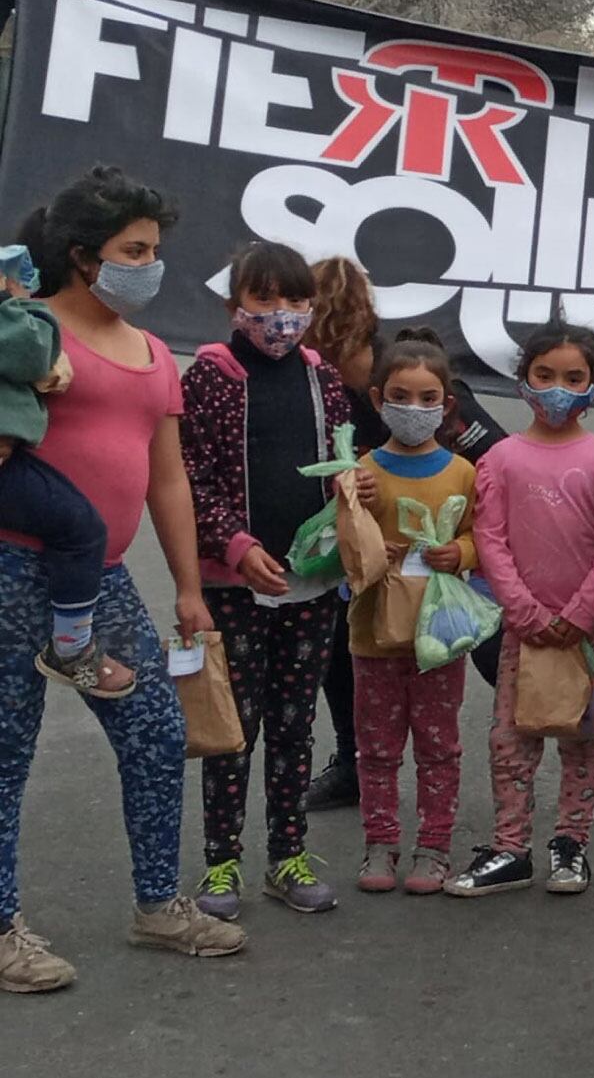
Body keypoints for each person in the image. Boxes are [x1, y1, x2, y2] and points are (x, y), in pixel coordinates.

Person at [0, 166, 246, 996]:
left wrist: (188, 587)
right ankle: (1, 929)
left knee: (152, 733)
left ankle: (157, 904)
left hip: (102, 581)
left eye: (154, 249)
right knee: (5, 752)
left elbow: (167, 479)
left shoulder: (150, 353)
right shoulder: (25, 331)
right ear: (80, 254)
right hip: (11, 567)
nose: (150, 264)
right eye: (132, 250)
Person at [181, 241, 351, 920]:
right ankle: (222, 862)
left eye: (296, 301)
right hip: (233, 584)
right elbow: (191, 477)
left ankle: (288, 853)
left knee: (292, 722)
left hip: (310, 585)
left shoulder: (323, 375)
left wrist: (352, 486)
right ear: (235, 306)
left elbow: (342, 455)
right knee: (232, 727)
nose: (282, 316)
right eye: (265, 301)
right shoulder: (211, 377)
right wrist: (236, 543)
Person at [445, 321, 594, 898]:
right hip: (523, 629)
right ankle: (510, 847)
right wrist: (521, 610)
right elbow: (491, 538)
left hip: (592, 628)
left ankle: (571, 844)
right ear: (523, 380)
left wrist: (581, 610)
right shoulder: (500, 458)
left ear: (593, 385)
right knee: (511, 737)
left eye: (573, 378)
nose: (558, 389)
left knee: (585, 737)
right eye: (544, 375)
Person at [304, 304, 509, 811]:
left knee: (488, 640)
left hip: (453, 553)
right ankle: (354, 762)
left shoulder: (424, 386)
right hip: (379, 571)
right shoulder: (324, 392)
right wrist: (353, 502)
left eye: (335, 354)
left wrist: (466, 547)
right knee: (341, 628)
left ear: (360, 342)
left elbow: (503, 464)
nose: (324, 365)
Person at [350, 336, 478, 896]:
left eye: (428, 397)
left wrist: (463, 553)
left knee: (438, 745)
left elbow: (480, 535)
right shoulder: (361, 469)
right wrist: (352, 498)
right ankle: (379, 843)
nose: (413, 407)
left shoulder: (463, 473)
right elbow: (344, 543)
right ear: (378, 399)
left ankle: (434, 847)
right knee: (376, 746)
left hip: (440, 635)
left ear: (446, 405)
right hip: (373, 631)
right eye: (400, 396)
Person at [0, 244, 134, 698]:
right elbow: (34, 355)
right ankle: (72, 647)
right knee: (80, 528)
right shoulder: (14, 318)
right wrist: (19, 304)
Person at [301, 257, 388, 812]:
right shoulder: (305, 375)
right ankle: (357, 761)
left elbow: (490, 449)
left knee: (502, 648)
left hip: (440, 537)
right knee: (337, 641)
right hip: (355, 546)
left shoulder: (403, 370)